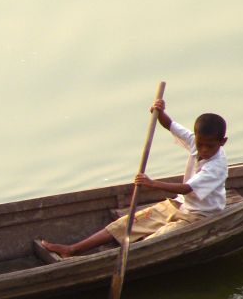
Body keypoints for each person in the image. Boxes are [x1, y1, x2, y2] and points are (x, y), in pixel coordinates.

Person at [41, 99, 228, 258]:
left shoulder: (216, 166)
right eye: (200, 144)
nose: (203, 150)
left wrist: (152, 183)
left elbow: (187, 188)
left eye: (209, 146)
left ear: (222, 142)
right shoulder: (197, 141)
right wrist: (160, 111)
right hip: (179, 204)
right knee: (124, 224)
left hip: (200, 215)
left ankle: (121, 259)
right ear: (196, 137)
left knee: (153, 242)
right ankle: (72, 249)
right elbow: (170, 125)